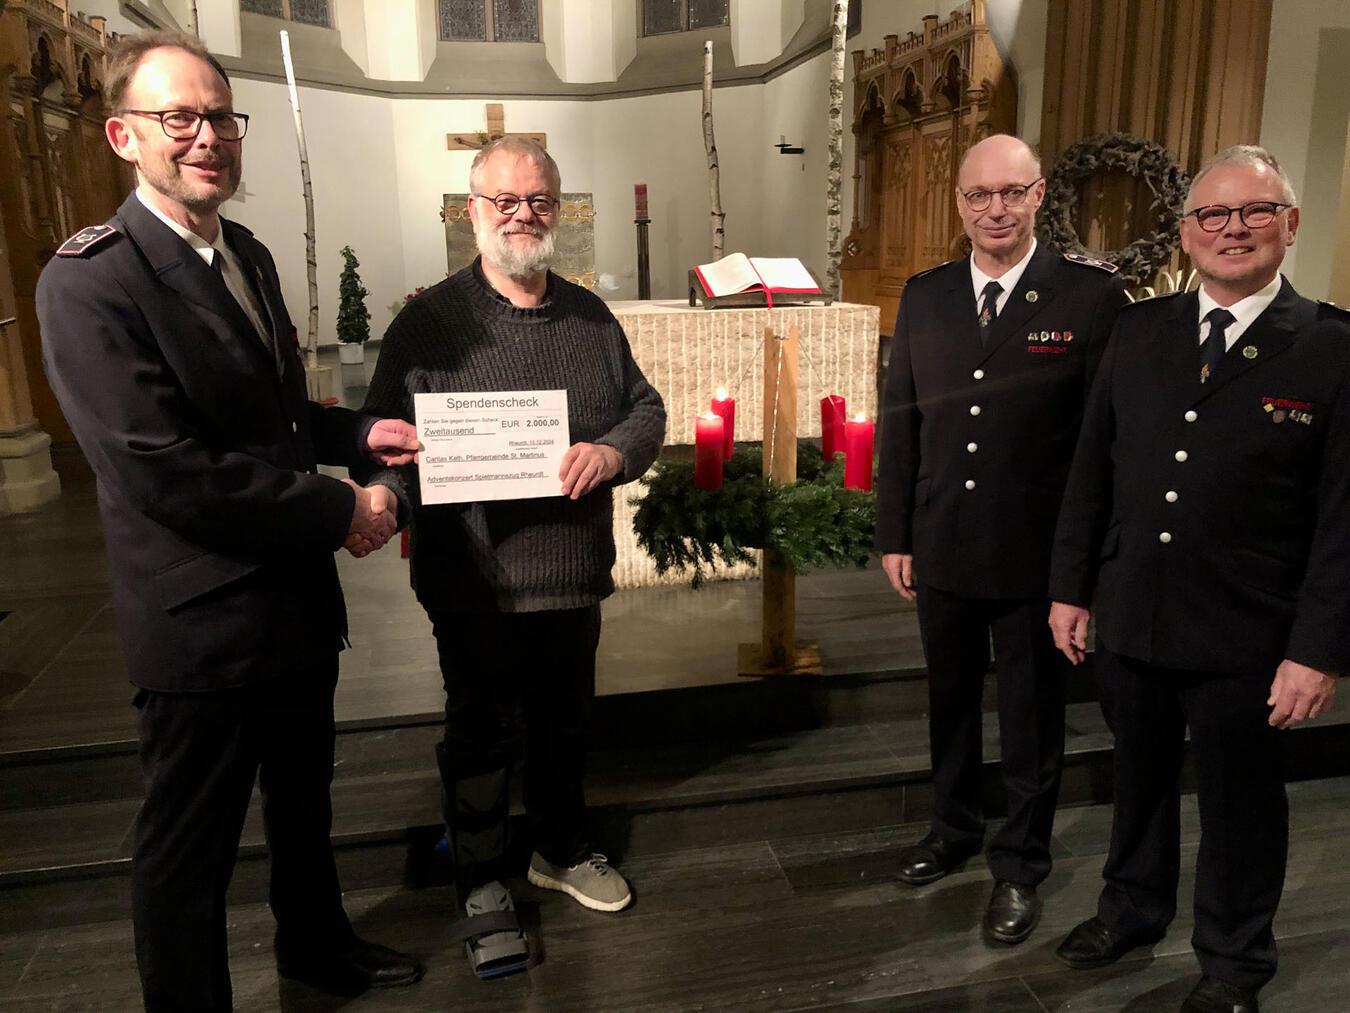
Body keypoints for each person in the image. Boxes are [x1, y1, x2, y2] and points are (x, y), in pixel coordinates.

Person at [36, 31, 423, 1012]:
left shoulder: (242, 251)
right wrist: (345, 505)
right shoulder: (89, 281)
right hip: (201, 618)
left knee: (305, 806)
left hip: (292, 600)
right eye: (180, 117)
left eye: (219, 116)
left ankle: (316, 948)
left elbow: (276, 418)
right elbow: (168, 471)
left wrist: (361, 428)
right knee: (187, 848)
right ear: (124, 135)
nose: (206, 135)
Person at [1047, 145, 1350, 1013]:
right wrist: (1072, 586)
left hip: (1250, 632)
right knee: (1137, 779)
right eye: (1212, 215)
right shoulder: (1140, 331)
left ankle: (1234, 958)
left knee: (1240, 804)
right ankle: (1132, 909)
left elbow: (1343, 522)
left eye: (1253, 212)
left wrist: (1317, 650)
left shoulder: (1331, 347)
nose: (1232, 230)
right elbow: (1090, 471)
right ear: (1185, 233)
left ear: (1288, 225)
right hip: (1134, 613)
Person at [356, 136, 666, 979]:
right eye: (505, 201)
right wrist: (386, 493)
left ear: (556, 210)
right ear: (472, 211)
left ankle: (560, 848)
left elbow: (645, 408)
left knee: (566, 718)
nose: (523, 216)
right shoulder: (429, 322)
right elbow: (381, 436)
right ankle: (482, 871)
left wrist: (611, 453)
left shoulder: (590, 317)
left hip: (570, 567)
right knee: (480, 726)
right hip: (472, 577)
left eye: (539, 201)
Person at [874, 134, 1126, 945]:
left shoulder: (1087, 299)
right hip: (941, 539)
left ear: (1040, 194)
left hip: (1036, 553)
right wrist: (894, 532)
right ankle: (953, 828)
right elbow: (900, 422)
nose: (995, 209)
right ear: (958, 203)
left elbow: (1102, 443)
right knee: (949, 700)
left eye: (1011, 193)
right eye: (979, 195)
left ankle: (1020, 863)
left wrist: (1079, 569)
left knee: (1029, 716)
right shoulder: (926, 295)